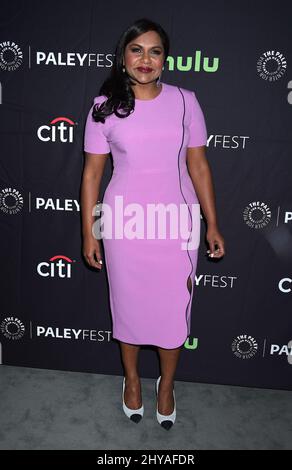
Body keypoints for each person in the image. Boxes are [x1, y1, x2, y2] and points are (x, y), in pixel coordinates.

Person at [81, 18, 225, 430]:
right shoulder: (103, 106)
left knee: (172, 312)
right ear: (123, 57)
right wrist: (90, 229)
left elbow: (198, 164)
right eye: (137, 49)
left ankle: (167, 386)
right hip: (125, 224)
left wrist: (212, 223)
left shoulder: (185, 101)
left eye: (155, 51)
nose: (146, 59)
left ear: (165, 59)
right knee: (127, 306)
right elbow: (92, 174)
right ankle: (130, 380)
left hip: (176, 224)